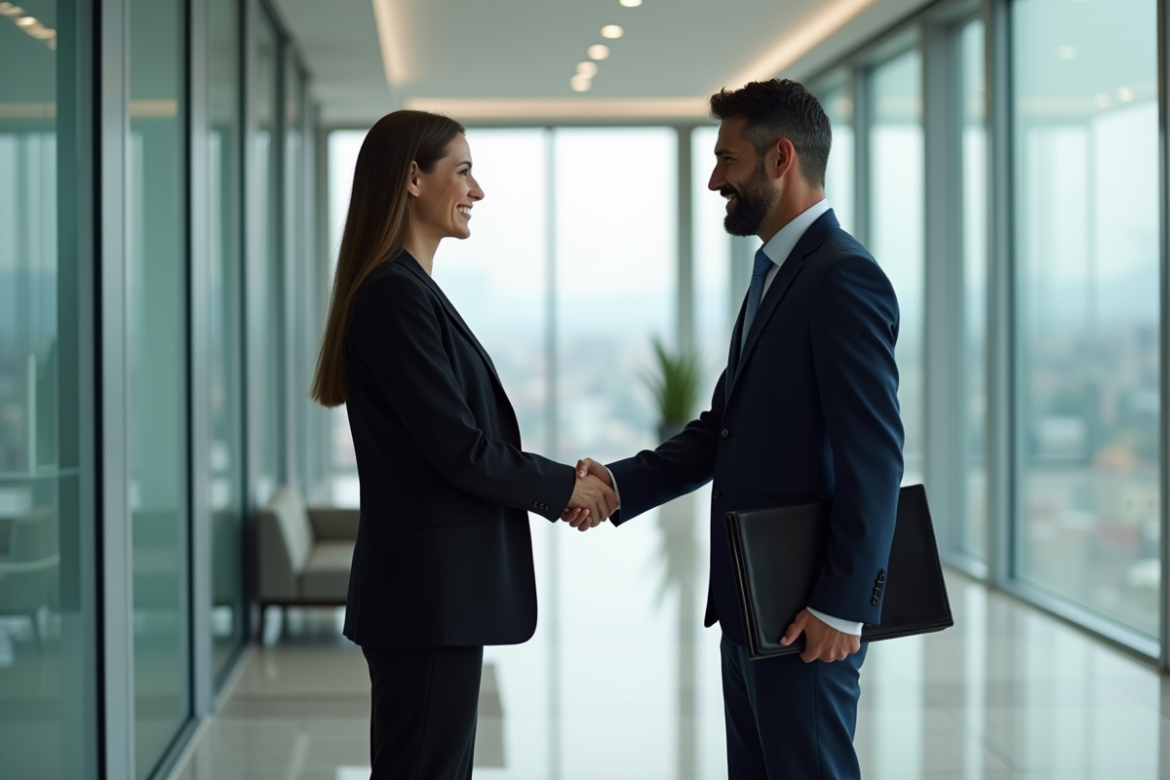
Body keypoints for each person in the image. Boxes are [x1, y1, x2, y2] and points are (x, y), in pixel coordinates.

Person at [575, 79, 904, 779]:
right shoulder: (774, 274)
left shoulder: (844, 278)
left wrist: (842, 608)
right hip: (751, 605)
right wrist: (616, 484)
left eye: (728, 158)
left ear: (781, 158)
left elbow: (874, 455)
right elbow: (721, 430)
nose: (713, 178)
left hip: (806, 615)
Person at [309, 110, 616, 780]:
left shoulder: (407, 288)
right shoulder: (394, 295)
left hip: (431, 600)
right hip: (427, 601)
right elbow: (458, 448)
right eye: (464, 170)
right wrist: (566, 486)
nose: (478, 191)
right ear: (413, 178)